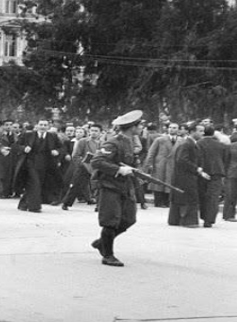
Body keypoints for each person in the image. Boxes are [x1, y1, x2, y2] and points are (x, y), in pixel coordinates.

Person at [90, 110, 142, 267]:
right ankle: (108, 255)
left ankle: (102, 243)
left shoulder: (129, 141)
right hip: (110, 186)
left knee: (129, 219)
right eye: (139, 126)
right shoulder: (113, 142)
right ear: (132, 127)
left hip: (125, 186)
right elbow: (97, 161)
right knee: (110, 220)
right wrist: (118, 170)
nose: (141, 128)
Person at [14, 119, 63, 212]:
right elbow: (16, 146)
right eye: (41, 124)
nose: (43, 127)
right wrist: (24, 148)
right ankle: (34, 207)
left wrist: (57, 152)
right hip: (30, 163)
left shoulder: (52, 136)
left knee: (36, 184)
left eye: (45, 125)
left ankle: (23, 204)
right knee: (35, 183)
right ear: (37, 125)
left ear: (48, 127)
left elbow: (62, 147)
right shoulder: (28, 135)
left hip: (46, 165)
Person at [168, 123, 210, 227]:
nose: (203, 133)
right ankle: (188, 221)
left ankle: (175, 220)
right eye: (200, 131)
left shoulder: (191, 143)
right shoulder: (187, 144)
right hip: (185, 177)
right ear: (192, 132)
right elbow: (182, 160)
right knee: (189, 198)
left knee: (180, 198)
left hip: (184, 176)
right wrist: (197, 169)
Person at [62, 124, 103, 209]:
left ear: (100, 133)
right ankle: (66, 203)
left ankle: (98, 205)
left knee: (99, 186)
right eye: (92, 130)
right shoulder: (83, 141)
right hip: (84, 166)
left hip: (96, 167)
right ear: (89, 132)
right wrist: (82, 163)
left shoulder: (102, 143)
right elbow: (76, 155)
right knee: (76, 185)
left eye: (96, 131)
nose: (93, 133)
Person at [196, 126, 229, 228]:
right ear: (213, 133)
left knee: (202, 196)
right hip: (217, 173)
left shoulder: (198, 144)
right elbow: (225, 159)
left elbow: (197, 157)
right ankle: (209, 220)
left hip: (202, 172)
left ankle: (203, 216)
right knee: (213, 197)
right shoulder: (221, 145)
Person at [144, 123, 181, 208]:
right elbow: (151, 152)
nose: (172, 129)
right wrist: (149, 164)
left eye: (174, 128)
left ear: (178, 130)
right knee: (159, 183)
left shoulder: (181, 140)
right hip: (160, 164)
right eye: (170, 127)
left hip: (173, 164)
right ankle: (159, 201)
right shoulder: (160, 140)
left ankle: (167, 201)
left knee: (170, 182)